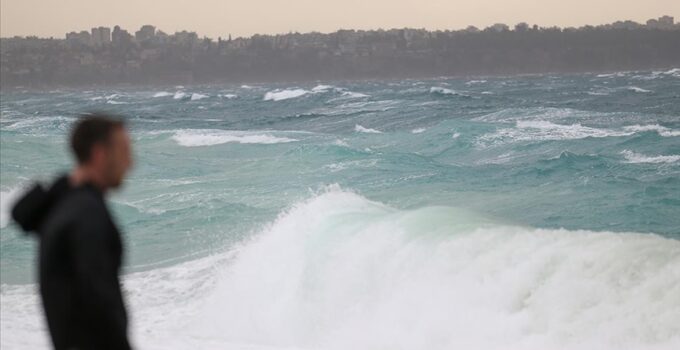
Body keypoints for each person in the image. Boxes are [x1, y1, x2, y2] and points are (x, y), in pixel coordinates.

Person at [12, 113, 134, 350]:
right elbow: (99, 301)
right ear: (100, 154)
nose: (130, 163)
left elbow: (22, 214)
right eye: (124, 152)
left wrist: (67, 183)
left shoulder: (62, 204)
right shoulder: (87, 215)